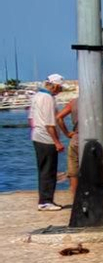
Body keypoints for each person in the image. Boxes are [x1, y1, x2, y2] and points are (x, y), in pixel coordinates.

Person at [26, 72, 65, 211]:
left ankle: (44, 199)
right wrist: (57, 142)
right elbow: (50, 123)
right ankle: (46, 201)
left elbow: (31, 119)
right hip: (47, 139)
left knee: (43, 169)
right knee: (49, 170)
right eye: (60, 87)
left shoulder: (37, 96)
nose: (61, 90)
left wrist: (36, 131)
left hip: (37, 136)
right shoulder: (48, 98)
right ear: (54, 86)